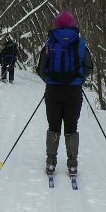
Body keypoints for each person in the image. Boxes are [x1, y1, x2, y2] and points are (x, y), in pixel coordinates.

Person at [36, 10, 93, 176]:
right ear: (72, 24)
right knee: (71, 127)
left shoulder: (49, 43)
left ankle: (51, 163)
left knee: (53, 126)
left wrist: (50, 80)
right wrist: (78, 79)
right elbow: (89, 68)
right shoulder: (80, 43)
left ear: (57, 24)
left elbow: (41, 69)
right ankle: (72, 165)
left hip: (53, 91)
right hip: (73, 92)